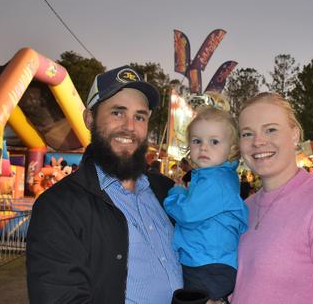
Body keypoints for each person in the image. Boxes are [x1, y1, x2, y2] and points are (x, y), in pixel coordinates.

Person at [26, 65, 182, 304]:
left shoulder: (167, 192)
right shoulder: (58, 207)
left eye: (139, 116)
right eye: (117, 113)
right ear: (90, 118)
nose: (130, 126)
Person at [232, 92, 313, 304]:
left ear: (294, 135)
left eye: (270, 129)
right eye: (247, 134)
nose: (258, 142)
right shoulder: (244, 208)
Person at [164, 106, 249, 303]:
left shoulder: (216, 181)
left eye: (214, 142)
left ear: (232, 149)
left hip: (207, 265)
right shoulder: (214, 176)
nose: (204, 147)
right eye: (197, 141)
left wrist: (175, 194)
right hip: (210, 263)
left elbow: (187, 213)